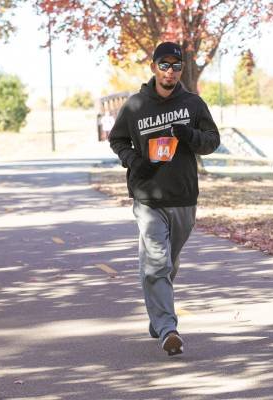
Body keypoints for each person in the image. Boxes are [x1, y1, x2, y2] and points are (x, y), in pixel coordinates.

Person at [109, 42, 220, 356]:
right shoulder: (135, 105)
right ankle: (168, 329)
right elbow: (117, 139)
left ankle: (157, 316)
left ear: (181, 70)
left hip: (183, 196)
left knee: (167, 263)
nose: (170, 71)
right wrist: (133, 160)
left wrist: (189, 135)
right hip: (148, 197)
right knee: (157, 263)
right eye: (164, 65)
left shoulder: (193, 104)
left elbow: (212, 141)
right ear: (154, 67)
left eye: (176, 66)